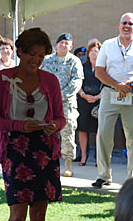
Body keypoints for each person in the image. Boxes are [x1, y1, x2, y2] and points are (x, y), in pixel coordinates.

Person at [0, 28, 66, 221]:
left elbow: (60, 118)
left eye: (41, 55)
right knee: (17, 213)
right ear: (20, 51)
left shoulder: (51, 81)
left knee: (40, 213)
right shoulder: (2, 78)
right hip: (14, 150)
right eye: (32, 54)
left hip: (44, 150)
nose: (37, 59)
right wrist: (19, 126)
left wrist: (54, 126)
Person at [92, 12, 133, 188]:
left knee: (132, 138)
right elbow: (99, 71)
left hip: (131, 94)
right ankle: (103, 175)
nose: (127, 26)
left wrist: (127, 84)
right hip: (109, 94)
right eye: (124, 22)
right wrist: (117, 85)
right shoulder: (108, 45)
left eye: (131, 24)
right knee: (103, 135)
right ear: (119, 25)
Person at [41, 33, 84, 177]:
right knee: (46, 133)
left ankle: (68, 164)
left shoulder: (75, 61)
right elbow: (39, 79)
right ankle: (47, 164)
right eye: (61, 42)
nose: (63, 45)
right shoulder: (46, 61)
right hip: (47, 104)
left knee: (68, 134)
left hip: (67, 105)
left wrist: (59, 97)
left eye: (67, 43)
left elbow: (76, 82)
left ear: (71, 47)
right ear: (56, 45)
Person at [76, 41, 102, 166]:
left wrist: (97, 97)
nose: (93, 53)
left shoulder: (103, 67)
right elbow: (77, 83)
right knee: (82, 129)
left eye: (96, 51)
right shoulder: (82, 66)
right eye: (91, 51)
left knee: (99, 130)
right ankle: (84, 157)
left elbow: (107, 84)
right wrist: (84, 95)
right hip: (83, 100)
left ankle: (98, 157)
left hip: (99, 101)